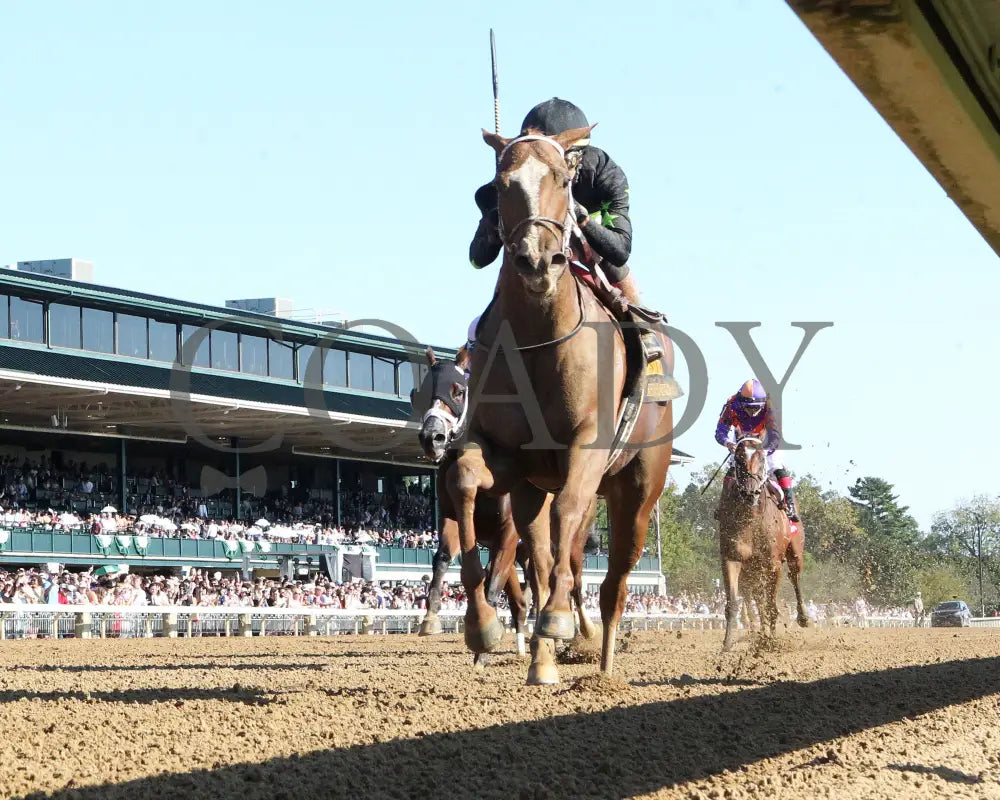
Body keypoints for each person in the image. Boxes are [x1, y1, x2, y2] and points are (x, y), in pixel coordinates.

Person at [468, 97, 663, 362]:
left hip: (588, 248)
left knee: (616, 269)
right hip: (531, 251)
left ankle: (641, 334)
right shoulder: (513, 175)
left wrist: (583, 220)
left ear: (580, 155)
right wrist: (496, 223)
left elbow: (620, 249)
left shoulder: (606, 174)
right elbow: (477, 260)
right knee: (478, 327)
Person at [715, 379, 799, 522]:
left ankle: (789, 505)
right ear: (741, 403)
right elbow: (720, 432)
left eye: (755, 408)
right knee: (732, 469)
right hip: (742, 440)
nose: (752, 412)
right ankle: (722, 506)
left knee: (776, 466)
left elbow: (776, 437)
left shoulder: (772, 407)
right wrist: (728, 443)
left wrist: (764, 451)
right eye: (748, 408)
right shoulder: (731, 405)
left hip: (767, 441)